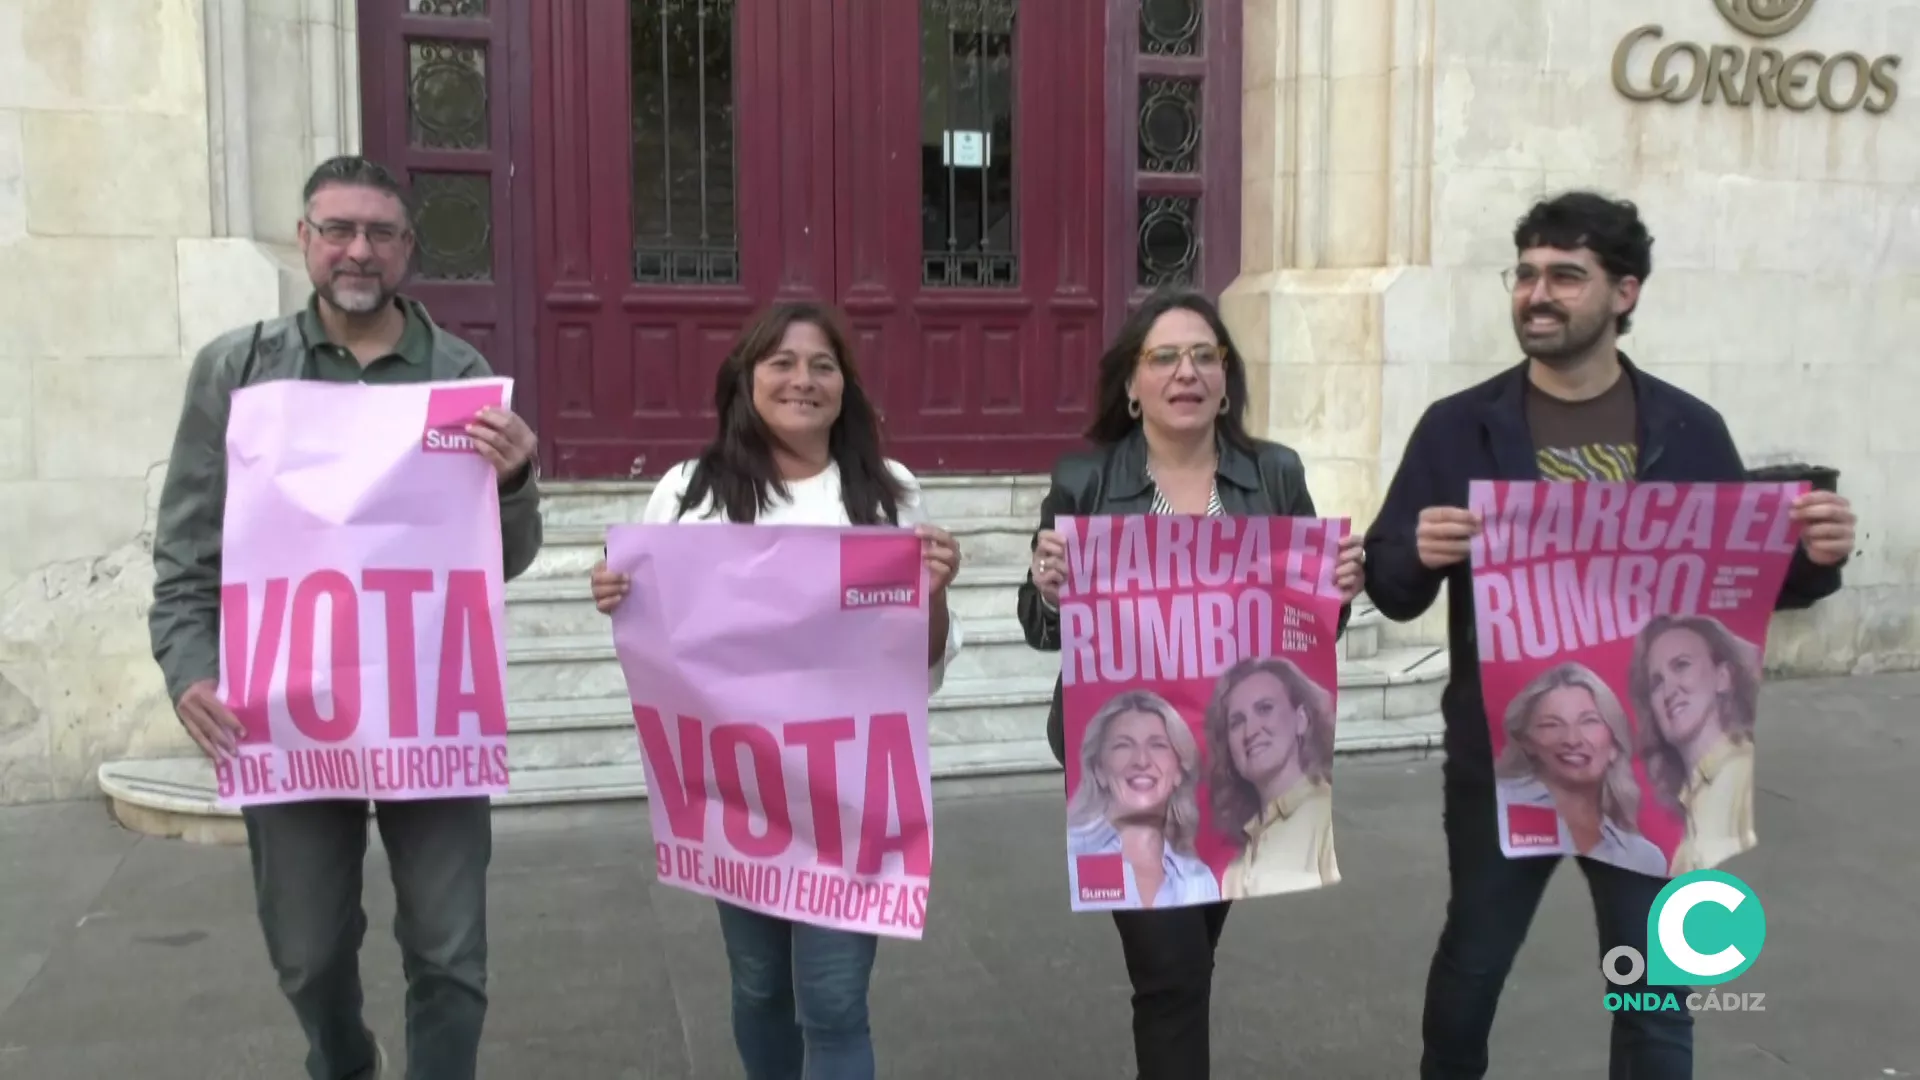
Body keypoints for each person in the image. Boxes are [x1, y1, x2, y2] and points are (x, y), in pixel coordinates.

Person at [1362, 189, 1857, 1079]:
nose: (1535, 294)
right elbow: (1392, 588)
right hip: (1503, 761)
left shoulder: (1688, 430)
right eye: (1525, 275)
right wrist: (1417, 551)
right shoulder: (1459, 426)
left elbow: (1738, 587)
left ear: (1624, 293)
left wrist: (1816, 558)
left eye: (1564, 276)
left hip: (1653, 766)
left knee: (1653, 993)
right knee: (1471, 974)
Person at [149, 155, 544, 1080]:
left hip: (427, 709)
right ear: (305, 241)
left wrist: (519, 481)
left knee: (450, 954)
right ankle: (345, 1060)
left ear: (408, 249)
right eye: (337, 230)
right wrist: (188, 668)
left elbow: (505, 560)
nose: (357, 251)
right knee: (307, 952)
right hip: (285, 709)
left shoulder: (459, 374)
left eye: (379, 233)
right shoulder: (239, 371)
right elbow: (186, 549)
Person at [588, 301, 962, 1080]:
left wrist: (933, 591)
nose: (803, 380)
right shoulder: (690, 492)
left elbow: (919, 667)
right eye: (782, 363)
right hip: (740, 789)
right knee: (757, 985)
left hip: (848, 791)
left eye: (822, 365)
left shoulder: (888, 493)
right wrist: (621, 594)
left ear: (845, 387)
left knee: (831, 1000)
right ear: (746, 379)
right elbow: (664, 647)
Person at [1016, 287, 1366, 1080]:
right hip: (1133, 774)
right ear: (1132, 386)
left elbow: (1307, 637)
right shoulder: (1086, 480)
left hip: (1235, 765)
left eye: (1205, 355)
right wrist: (1048, 591)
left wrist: (1334, 592)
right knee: (1170, 973)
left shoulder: (1274, 475)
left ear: (1227, 380)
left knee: (1190, 960)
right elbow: (1041, 632)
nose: (1187, 371)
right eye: (1164, 357)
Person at [1493, 662, 1666, 877]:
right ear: (1527, 742)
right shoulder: (1496, 809)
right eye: (1551, 724)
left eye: (1589, 721)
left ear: (1614, 744)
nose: (1572, 740)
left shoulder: (1643, 857)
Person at [1628, 615, 1764, 875]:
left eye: (1681, 665)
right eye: (1656, 683)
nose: (1669, 690)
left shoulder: (1731, 779)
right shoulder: (1695, 792)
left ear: (1723, 677)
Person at [1066, 690, 1221, 909]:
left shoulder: (1199, 878)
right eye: (1123, 745)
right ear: (1099, 770)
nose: (1141, 760)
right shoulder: (1072, 858)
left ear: (1179, 771)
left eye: (1158, 745)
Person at [1203, 657, 1340, 898]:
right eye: (1237, 722)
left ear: (1301, 720)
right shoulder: (1237, 861)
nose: (1251, 731)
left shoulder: (1326, 819)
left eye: (1265, 708)